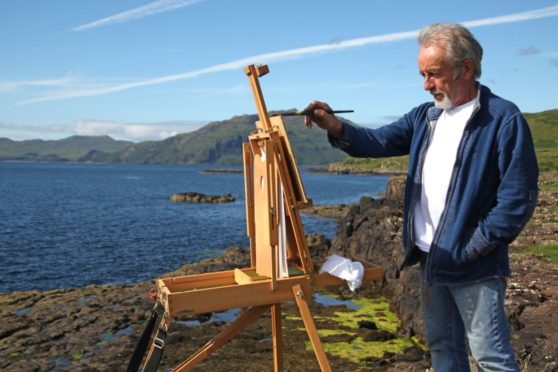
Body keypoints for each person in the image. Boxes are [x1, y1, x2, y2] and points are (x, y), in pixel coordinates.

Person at [303, 23, 538, 371]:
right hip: (430, 259)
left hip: (476, 265)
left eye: (434, 74)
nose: (426, 84)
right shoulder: (425, 117)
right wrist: (334, 125)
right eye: (422, 74)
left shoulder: (503, 119)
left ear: (467, 68)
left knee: (492, 358)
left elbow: (518, 198)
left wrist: (475, 246)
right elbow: (377, 141)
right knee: (444, 351)